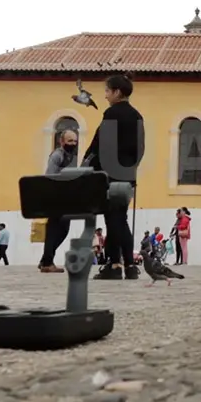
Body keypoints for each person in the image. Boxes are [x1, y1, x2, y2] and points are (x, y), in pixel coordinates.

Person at [83, 74, 145, 280]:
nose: (105, 95)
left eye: (108, 91)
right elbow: (140, 149)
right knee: (120, 218)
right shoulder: (137, 116)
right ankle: (128, 265)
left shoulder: (112, 114)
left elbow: (102, 145)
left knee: (113, 219)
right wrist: (130, 169)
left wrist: (92, 169)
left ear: (117, 92)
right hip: (127, 174)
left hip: (111, 174)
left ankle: (116, 264)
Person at [37, 129, 78, 273]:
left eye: (75, 141)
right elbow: (50, 176)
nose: (73, 143)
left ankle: (45, 259)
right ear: (62, 141)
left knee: (63, 230)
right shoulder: (57, 155)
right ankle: (47, 262)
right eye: (70, 141)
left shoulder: (71, 156)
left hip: (65, 198)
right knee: (54, 229)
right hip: (55, 197)